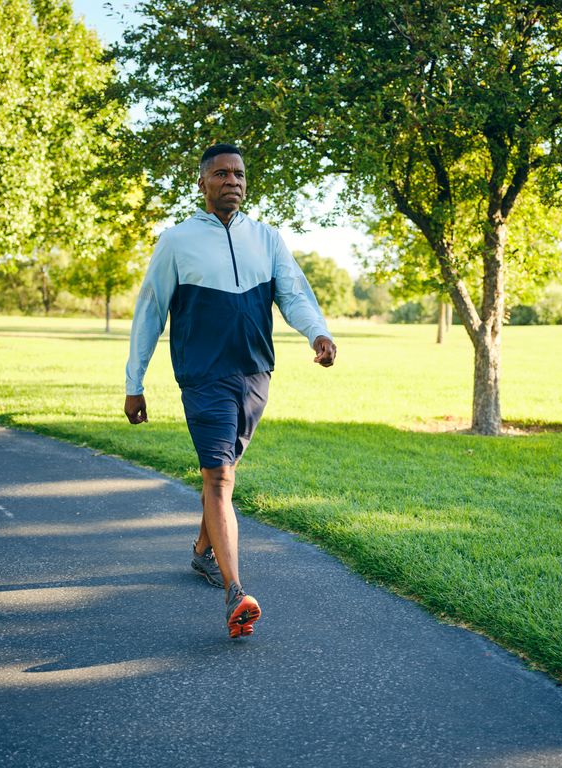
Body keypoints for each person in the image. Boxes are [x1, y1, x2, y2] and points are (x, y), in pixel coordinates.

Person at [123, 143, 336, 639]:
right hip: (203, 375)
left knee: (224, 474)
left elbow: (294, 294)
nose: (232, 181)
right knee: (218, 478)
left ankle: (201, 554)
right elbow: (150, 312)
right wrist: (135, 384)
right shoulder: (176, 241)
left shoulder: (266, 238)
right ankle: (235, 592)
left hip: (255, 373)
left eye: (239, 174)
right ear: (202, 184)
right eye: (221, 174)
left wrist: (317, 334)